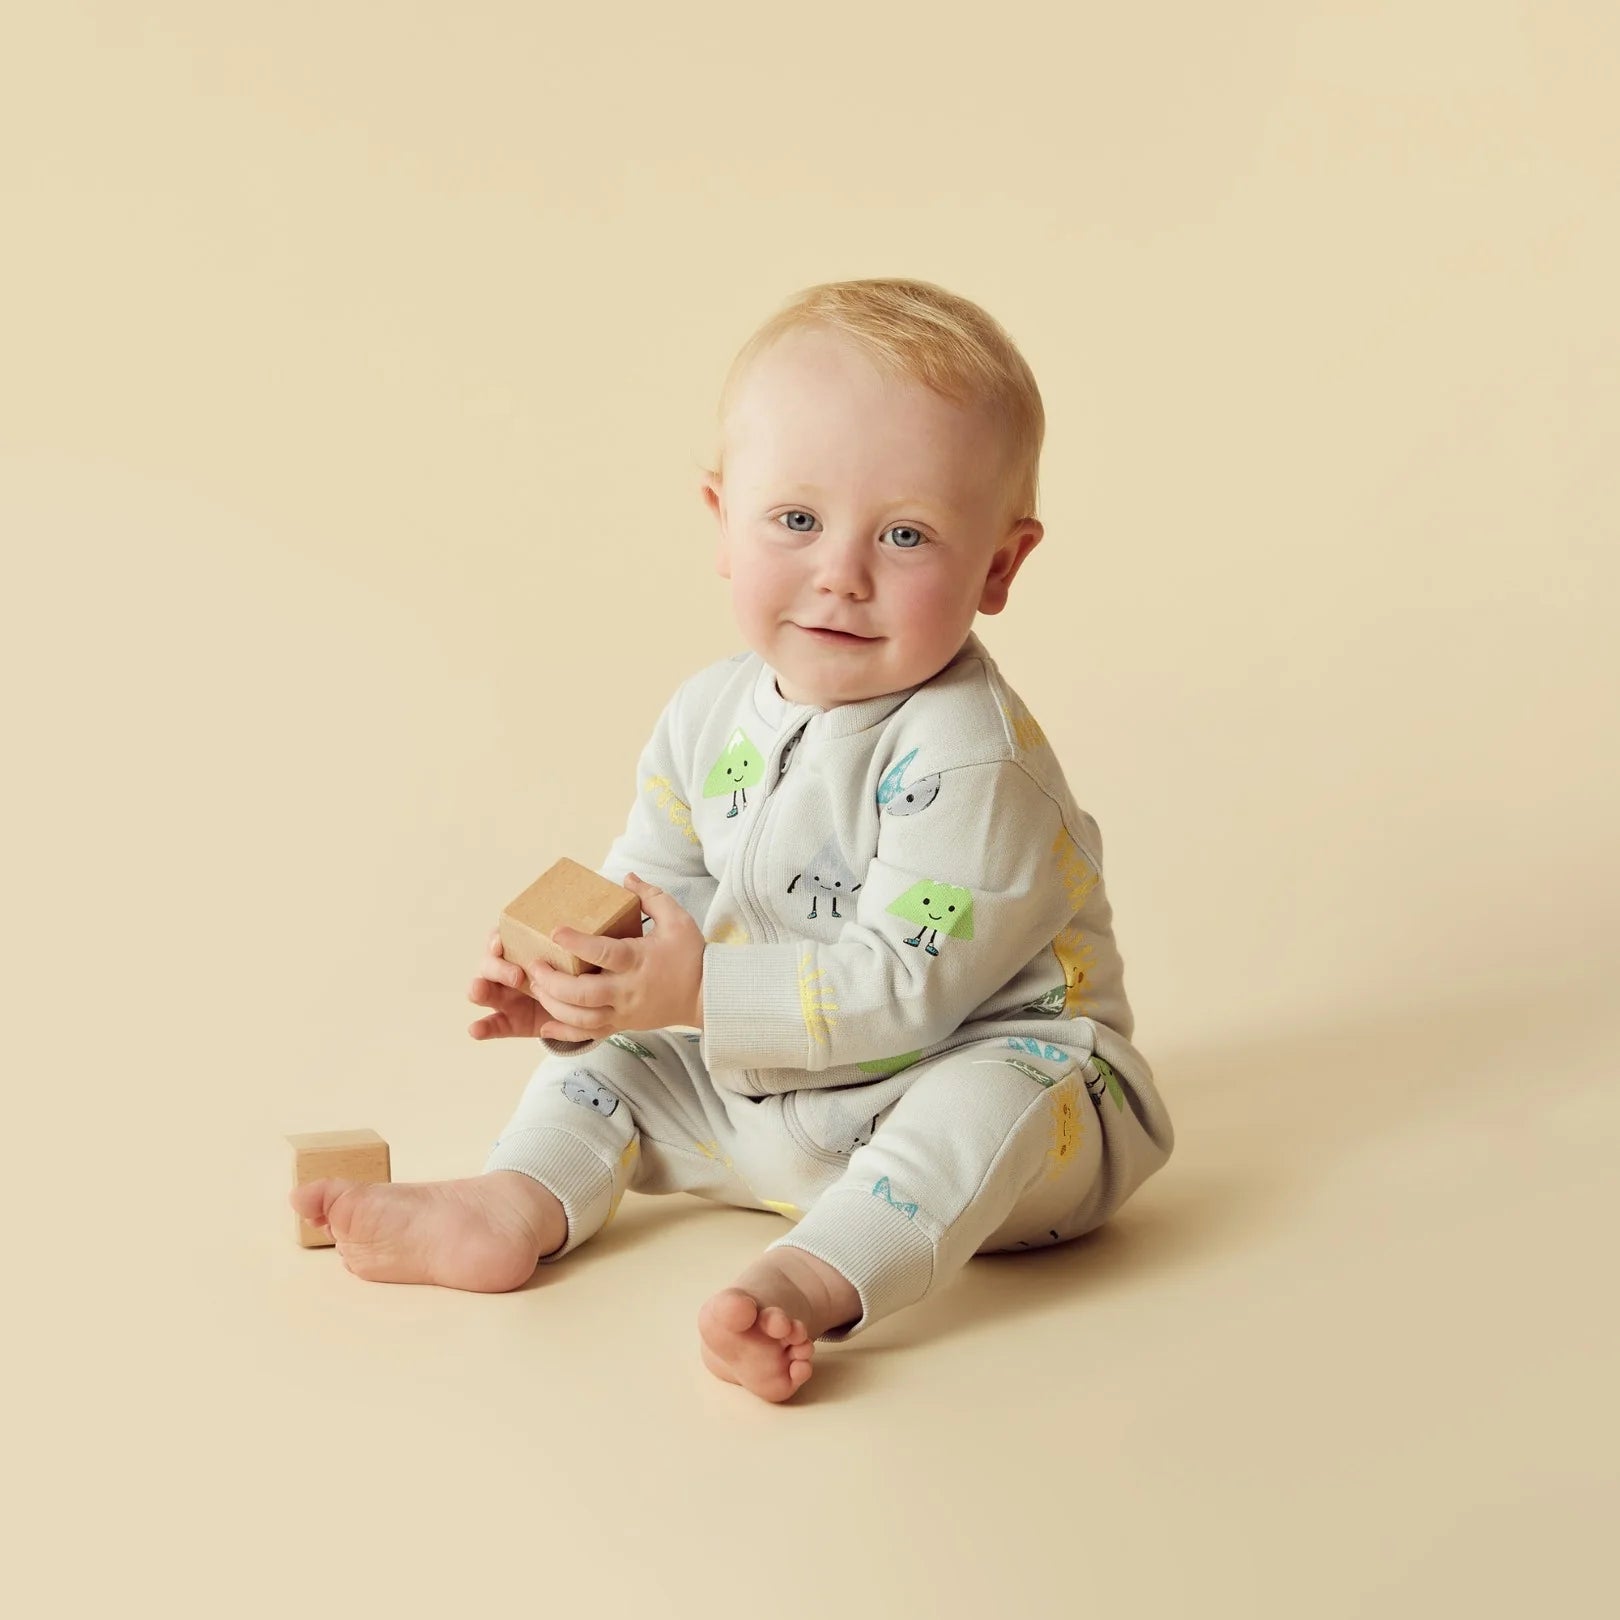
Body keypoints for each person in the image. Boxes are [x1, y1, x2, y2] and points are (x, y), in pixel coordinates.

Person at [291, 276, 1175, 1403]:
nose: (841, 573)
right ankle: (514, 1201)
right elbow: (655, 886)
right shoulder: (706, 715)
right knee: (614, 1068)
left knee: (985, 1105)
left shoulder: (971, 762)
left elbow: (906, 987)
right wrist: (584, 988)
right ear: (722, 520)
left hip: (1004, 1093)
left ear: (998, 567)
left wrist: (699, 988)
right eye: (797, 521)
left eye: (906, 535)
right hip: (769, 1095)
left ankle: (812, 1277)